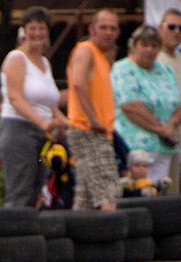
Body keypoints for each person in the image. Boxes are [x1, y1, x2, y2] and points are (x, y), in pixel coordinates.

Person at [0, 6, 68, 208]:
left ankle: (28, 234)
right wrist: (42, 122)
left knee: (37, 187)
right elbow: (15, 98)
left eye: (41, 28)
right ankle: (12, 234)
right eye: (32, 28)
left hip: (42, 134)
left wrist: (70, 124)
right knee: (20, 189)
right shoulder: (16, 58)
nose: (37, 33)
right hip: (19, 130)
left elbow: (50, 104)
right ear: (25, 31)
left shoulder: (45, 62)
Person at [110, 25, 181, 183]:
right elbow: (130, 106)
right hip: (135, 146)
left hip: (164, 147)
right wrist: (162, 130)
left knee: (159, 192)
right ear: (134, 46)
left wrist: (173, 123)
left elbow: (178, 102)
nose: (149, 50)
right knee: (137, 192)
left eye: (154, 46)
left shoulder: (166, 70)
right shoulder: (122, 68)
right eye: (144, 45)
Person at [66, 9, 121, 211]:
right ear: (92, 29)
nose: (108, 32)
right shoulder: (86, 50)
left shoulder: (102, 57)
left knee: (85, 196)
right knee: (107, 189)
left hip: (96, 130)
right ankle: (112, 237)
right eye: (103, 27)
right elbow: (78, 83)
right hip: (89, 129)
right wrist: (94, 118)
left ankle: (78, 239)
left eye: (113, 28)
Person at [156, 8, 181, 193]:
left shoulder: (178, 57)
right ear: (159, 28)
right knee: (156, 189)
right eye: (171, 27)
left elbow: (178, 98)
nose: (177, 31)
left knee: (172, 190)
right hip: (157, 132)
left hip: (175, 131)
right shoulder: (154, 57)